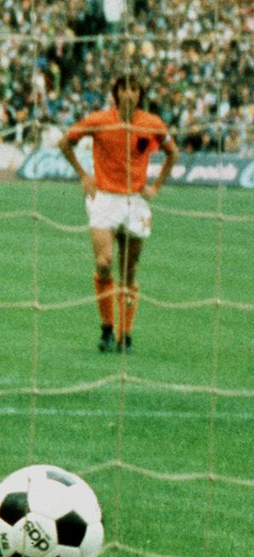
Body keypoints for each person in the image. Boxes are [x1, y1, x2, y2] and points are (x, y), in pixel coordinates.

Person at [59, 73, 179, 353]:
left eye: (134, 89)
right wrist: (83, 176)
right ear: (115, 93)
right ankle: (106, 329)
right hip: (104, 199)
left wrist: (157, 186)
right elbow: (65, 142)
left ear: (140, 94)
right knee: (104, 262)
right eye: (123, 88)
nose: (128, 94)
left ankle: (126, 335)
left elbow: (172, 153)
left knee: (129, 269)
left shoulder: (152, 124)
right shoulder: (100, 120)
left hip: (135, 201)